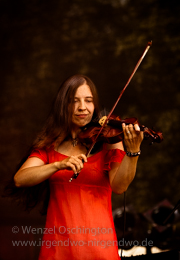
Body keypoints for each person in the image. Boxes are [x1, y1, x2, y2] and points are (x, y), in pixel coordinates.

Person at [14, 74, 144, 260]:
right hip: (58, 249)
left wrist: (133, 153)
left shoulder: (109, 141)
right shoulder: (51, 146)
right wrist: (58, 165)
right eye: (74, 101)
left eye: (88, 100)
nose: (82, 107)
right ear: (63, 106)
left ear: (94, 105)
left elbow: (120, 186)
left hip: (100, 248)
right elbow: (20, 179)